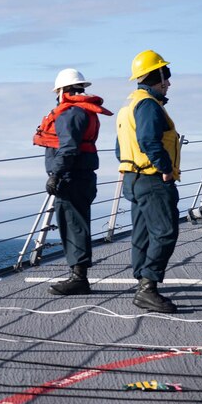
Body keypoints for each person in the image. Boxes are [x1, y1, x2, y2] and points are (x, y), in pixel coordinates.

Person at [34, 69, 113, 295]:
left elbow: (68, 148)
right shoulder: (84, 111)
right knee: (77, 223)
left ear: (61, 91)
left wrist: (55, 174)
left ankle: (79, 278)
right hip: (83, 175)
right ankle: (78, 274)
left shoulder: (69, 113)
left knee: (73, 225)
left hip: (71, 177)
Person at [116, 50, 181, 313]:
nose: (169, 82)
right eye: (166, 76)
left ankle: (141, 280)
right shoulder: (149, 106)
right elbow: (149, 141)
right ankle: (148, 287)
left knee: (142, 233)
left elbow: (120, 148)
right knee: (165, 232)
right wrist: (165, 169)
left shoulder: (128, 106)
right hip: (153, 179)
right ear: (159, 76)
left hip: (133, 178)